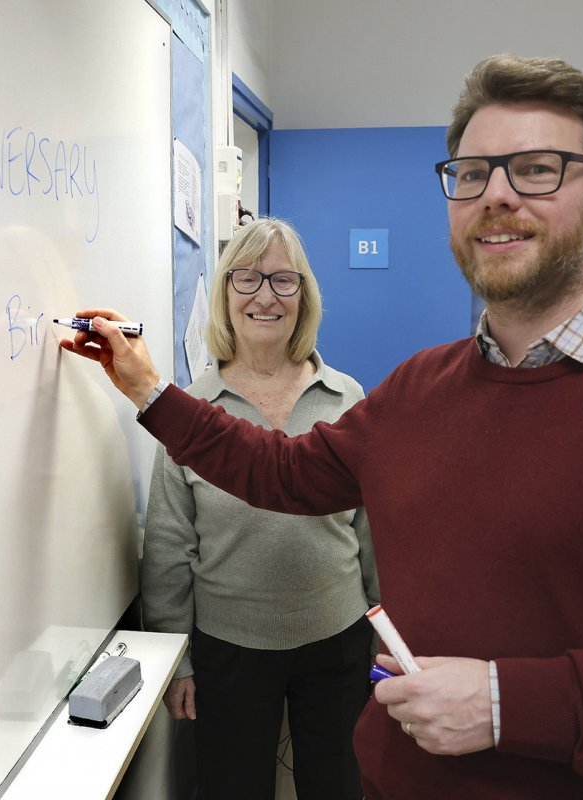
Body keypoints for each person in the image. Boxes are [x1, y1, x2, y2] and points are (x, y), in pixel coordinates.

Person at [61, 54, 583, 799]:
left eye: (538, 169)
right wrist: (148, 388)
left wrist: (506, 704)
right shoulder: (420, 389)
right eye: (471, 174)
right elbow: (283, 474)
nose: (496, 195)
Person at [142, 217, 379, 799]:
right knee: (233, 787)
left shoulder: (346, 397)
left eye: (282, 280)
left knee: (340, 784)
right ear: (225, 295)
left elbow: (374, 527)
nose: (265, 296)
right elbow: (169, 546)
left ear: (305, 296)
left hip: (339, 636)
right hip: (230, 646)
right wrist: (179, 660)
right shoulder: (192, 411)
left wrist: (383, 629)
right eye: (246, 279)